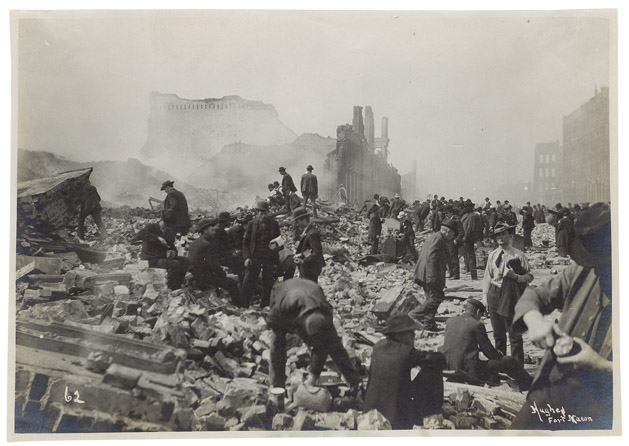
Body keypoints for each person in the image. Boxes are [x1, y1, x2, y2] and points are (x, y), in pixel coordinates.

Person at [510, 202, 612, 430]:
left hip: (602, 409)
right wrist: (534, 321)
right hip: (551, 389)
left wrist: (600, 366)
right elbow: (534, 296)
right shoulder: (583, 270)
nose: (597, 269)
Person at [266, 279, 361, 392]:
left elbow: (324, 347)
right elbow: (271, 321)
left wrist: (313, 376)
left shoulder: (326, 313)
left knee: (333, 344)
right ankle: (277, 386)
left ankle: (355, 383)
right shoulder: (282, 308)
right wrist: (290, 329)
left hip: (310, 292)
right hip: (285, 291)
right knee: (278, 342)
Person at [364, 313, 446, 429]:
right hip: (396, 417)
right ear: (400, 335)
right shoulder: (406, 352)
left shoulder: (378, 346)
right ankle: (431, 412)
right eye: (411, 332)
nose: (413, 335)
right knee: (433, 369)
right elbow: (437, 360)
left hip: (371, 411)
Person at [440, 299, 533, 391]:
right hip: (468, 370)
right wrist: (499, 355)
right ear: (478, 312)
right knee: (509, 361)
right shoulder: (476, 325)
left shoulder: (450, 321)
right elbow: (489, 352)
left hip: (448, 366)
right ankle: (528, 384)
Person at [482, 222, 533, 365]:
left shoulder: (519, 255)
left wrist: (517, 277)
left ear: (510, 235)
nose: (500, 237)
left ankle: (517, 369)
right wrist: (485, 297)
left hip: (511, 295)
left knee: (514, 333)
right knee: (498, 334)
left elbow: (529, 276)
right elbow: (488, 277)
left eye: (503, 234)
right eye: (497, 235)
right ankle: (501, 366)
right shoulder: (492, 255)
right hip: (494, 293)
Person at [188, 218, 243, 305]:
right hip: (203, 277)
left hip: (195, 274)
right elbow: (214, 264)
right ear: (205, 230)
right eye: (212, 230)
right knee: (232, 283)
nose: (214, 232)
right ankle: (240, 306)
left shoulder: (194, 243)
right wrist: (223, 275)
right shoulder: (207, 244)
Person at [409, 220, 451, 331]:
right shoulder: (439, 238)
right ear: (448, 231)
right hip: (430, 273)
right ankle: (414, 314)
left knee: (430, 297)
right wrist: (431, 276)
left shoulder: (433, 236)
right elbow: (431, 257)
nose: (452, 237)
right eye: (453, 234)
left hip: (425, 272)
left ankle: (429, 323)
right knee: (436, 298)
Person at [133, 210, 190, 290]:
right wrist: (157, 238)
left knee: (185, 261)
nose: (168, 227)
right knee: (174, 264)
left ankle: (178, 285)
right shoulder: (151, 227)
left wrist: (173, 253)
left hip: (162, 257)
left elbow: (172, 247)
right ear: (162, 221)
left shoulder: (168, 232)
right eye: (166, 224)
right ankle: (171, 288)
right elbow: (140, 234)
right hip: (151, 259)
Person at [241, 200, 281, 307]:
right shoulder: (251, 224)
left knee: (268, 281)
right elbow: (245, 243)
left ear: (267, 212)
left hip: (268, 256)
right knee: (249, 280)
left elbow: (279, 240)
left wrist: (276, 246)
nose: (261, 214)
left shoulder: (274, 224)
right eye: (259, 212)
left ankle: (265, 305)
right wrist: (247, 257)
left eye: (263, 212)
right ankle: (244, 304)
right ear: (256, 212)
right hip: (254, 257)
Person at [292, 207, 325, 283]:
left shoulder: (312, 233)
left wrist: (303, 261)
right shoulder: (308, 231)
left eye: (298, 222)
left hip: (311, 269)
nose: (297, 224)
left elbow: (316, 252)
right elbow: (309, 250)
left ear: (304, 220)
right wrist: (301, 256)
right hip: (309, 267)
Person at [461, 200, 483, 280]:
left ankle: (474, 275)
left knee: (470, 255)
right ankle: (468, 270)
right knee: (466, 254)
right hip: (464, 237)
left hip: (468, 238)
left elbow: (470, 228)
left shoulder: (473, 216)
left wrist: (465, 237)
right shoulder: (466, 215)